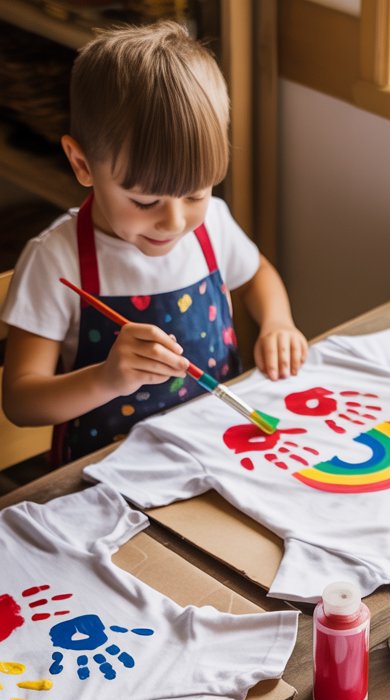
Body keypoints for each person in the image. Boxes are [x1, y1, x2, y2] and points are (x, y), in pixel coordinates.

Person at [1, 20, 307, 464]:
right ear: (82, 164)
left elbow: (257, 273)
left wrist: (278, 322)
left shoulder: (213, 225)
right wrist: (107, 379)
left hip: (214, 454)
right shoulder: (55, 259)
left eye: (197, 193)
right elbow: (21, 401)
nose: (175, 221)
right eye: (145, 200)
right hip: (106, 478)